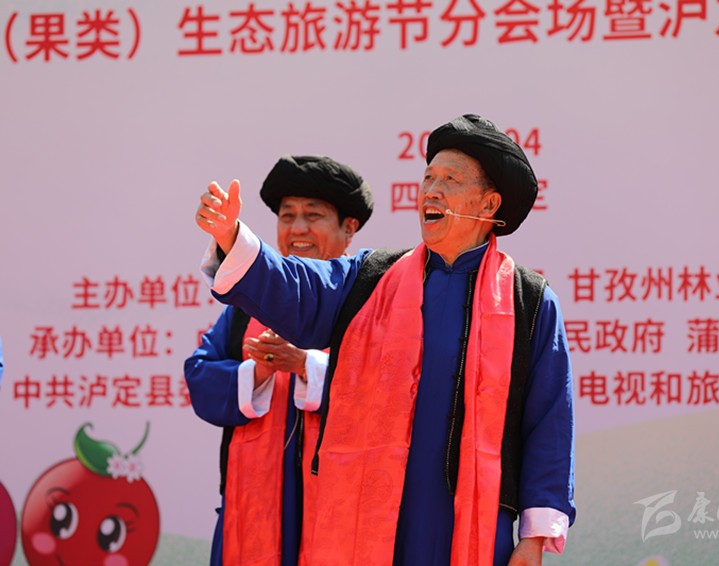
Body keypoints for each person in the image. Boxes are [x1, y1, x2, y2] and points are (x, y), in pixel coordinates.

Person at [195, 115, 576, 566]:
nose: (431, 191)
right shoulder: (371, 277)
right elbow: (300, 286)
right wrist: (232, 238)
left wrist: (534, 540)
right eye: (428, 178)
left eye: (450, 180)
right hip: (371, 515)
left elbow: (548, 422)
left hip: (470, 521)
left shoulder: (528, 300)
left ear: (489, 203)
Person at [185, 155, 374, 566]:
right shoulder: (245, 309)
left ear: (349, 228)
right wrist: (259, 370)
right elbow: (199, 377)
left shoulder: (368, 305)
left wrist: (306, 366)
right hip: (249, 518)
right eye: (287, 216)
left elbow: (389, 391)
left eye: (313, 215)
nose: (297, 228)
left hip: (339, 520)